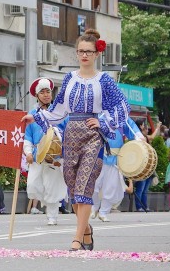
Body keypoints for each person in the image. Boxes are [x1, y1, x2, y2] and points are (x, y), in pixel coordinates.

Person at [21, 29, 130, 251]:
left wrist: (103, 121)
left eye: (88, 52)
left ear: (97, 54)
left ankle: (77, 239)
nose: (84, 55)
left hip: (93, 136)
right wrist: (36, 116)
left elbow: (122, 106)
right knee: (73, 188)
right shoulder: (69, 78)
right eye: (80, 51)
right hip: (71, 134)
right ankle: (86, 229)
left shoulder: (104, 80)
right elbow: (58, 109)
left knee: (84, 186)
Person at [23, 77, 68, 225]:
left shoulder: (59, 112)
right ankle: (47, 203)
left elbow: (67, 131)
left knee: (52, 186)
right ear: (37, 95)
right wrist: (28, 152)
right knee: (33, 185)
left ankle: (52, 215)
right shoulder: (31, 114)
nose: (46, 94)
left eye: (48, 91)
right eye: (42, 92)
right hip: (37, 156)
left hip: (54, 156)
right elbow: (28, 136)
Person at [93, 117, 144, 221]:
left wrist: (138, 136)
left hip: (115, 159)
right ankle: (94, 207)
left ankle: (103, 212)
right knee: (93, 185)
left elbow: (132, 128)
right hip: (98, 157)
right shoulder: (97, 114)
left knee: (111, 187)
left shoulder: (121, 117)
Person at [133, 118, 161, 212]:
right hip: (142, 165)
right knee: (141, 188)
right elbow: (151, 137)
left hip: (147, 165)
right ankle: (139, 207)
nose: (145, 126)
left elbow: (151, 137)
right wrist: (157, 127)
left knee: (144, 189)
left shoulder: (141, 136)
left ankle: (144, 206)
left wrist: (157, 128)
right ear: (140, 126)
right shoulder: (138, 136)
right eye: (144, 125)